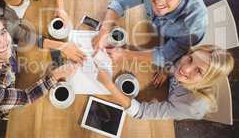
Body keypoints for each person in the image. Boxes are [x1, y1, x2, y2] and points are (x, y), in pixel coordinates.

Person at [92, 0, 208, 86]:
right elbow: (119, 3)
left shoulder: (193, 23)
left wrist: (125, 54)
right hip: (158, 37)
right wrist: (104, 31)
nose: (159, 2)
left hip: (183, 48)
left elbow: (166, 56)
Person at [0, 12, 79, 118]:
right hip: (8, 108)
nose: (3, 43)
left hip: (14, 80)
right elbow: (26, 97)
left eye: (2, 32)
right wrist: (55, 76)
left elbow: (12, 51)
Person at [95, 45, 234, 120]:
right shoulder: (186, 60)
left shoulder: (193, 106)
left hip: (169, 107)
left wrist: (108, 85)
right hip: (162, 88)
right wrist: (168, 71)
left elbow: (141, 112)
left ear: (207, 81)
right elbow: (172, 58)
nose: (184, 68)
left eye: (198, 71)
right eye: (190, 59)